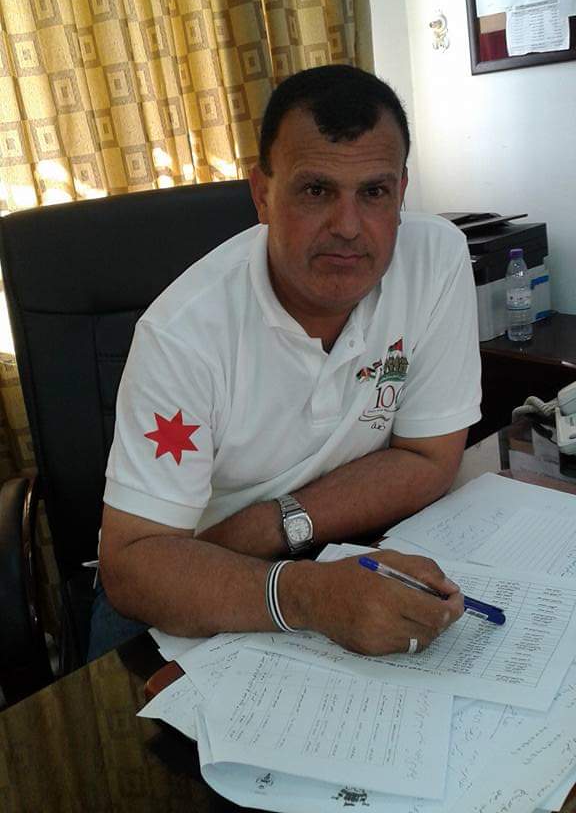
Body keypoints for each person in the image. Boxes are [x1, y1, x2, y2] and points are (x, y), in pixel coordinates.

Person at [93, 64, 481, 661]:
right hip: (186, 591)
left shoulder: (436, 262)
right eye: (316, 191)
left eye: (374, 192)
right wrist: (309, 596)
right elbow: (133, 567)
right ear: (262, 195)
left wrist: (272, 526)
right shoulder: (182, 335)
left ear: (402, 193)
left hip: (327, 552)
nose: (348, 228)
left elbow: (431, 458)